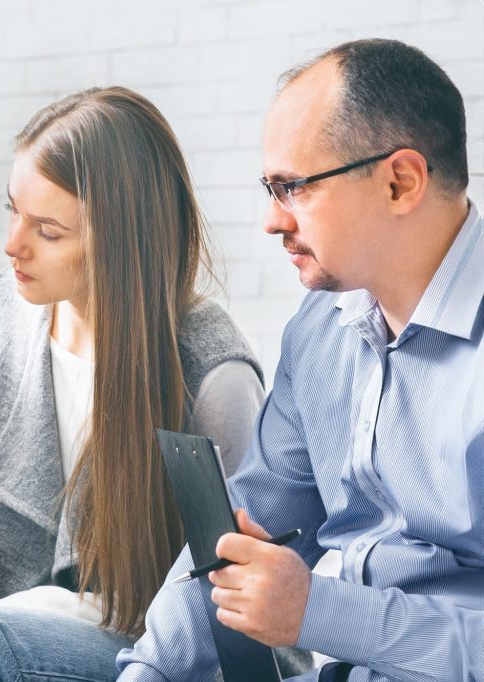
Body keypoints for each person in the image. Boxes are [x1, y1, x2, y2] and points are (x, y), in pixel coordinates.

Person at [0, 86, 308, 680]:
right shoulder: (6, 312)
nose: (12, 245)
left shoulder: (212, 373)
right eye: (13, 210)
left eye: (48, 230)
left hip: (168, 655)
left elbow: (244, 602)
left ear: (119, 241)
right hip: (30, 631)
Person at [116, 39, 483, 681]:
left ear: (401, 181)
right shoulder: (319, 332)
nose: (269, 221)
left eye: (293, 188)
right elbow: (241, 536)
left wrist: (319, 612)